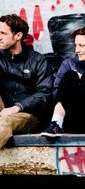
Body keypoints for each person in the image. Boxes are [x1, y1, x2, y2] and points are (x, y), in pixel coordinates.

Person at [0, 14, 53, 146]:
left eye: (3, 33)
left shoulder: (38, 60)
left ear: (18, 35)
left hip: (26, 115)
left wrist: (17, 107)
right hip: (2, 110)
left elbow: (44, 93)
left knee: (5, 121)